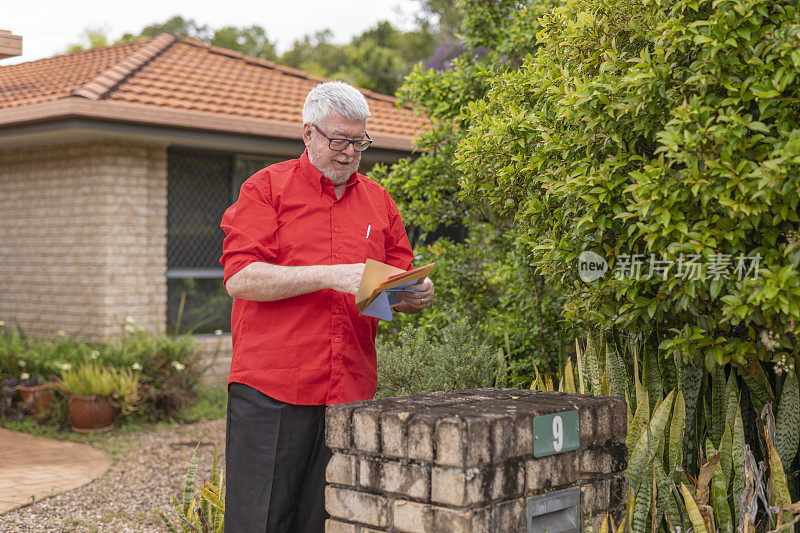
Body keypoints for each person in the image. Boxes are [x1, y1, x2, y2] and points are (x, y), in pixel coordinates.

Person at [219, 81, 434, 533]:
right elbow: (241, 279)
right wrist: (328, 274)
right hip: (272, 390)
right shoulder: (266, 189)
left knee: (328, 522)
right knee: (259, 523)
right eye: (338, 140)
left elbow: (389, 291)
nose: (349, 152)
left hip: (349, 389)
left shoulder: (379, 200)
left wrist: (415, 295)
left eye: (359, 142)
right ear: (308, 134)